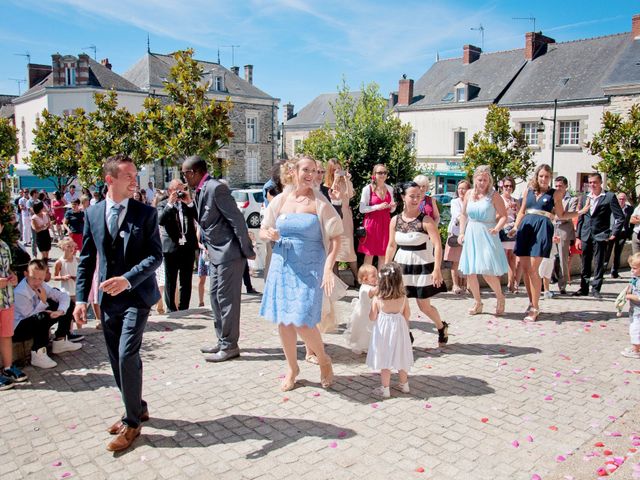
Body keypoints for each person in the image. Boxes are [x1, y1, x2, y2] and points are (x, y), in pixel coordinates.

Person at [74, 154, 163, 452]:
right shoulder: (93, 213)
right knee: (115, 358)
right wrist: (80, 300)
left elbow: (155, 256)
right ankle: (137, 406)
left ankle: (132, 423)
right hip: (107, 301)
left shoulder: (145, 213)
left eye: (135, 174)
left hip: (137, 296)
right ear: (110, 180)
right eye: (128, 175)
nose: (135, 180)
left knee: (127, 354)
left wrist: (127, 279)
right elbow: (86, 260)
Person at [259, 156, 342, 391]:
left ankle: (324, 360)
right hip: (282, 265)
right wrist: (270, 234)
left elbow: (336, 237)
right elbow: (264, 229)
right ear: (293, 171)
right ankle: (292, 368)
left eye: (315, 171)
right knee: (284, 322)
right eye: (306, 169)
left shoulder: (319, 202)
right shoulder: (281, 200)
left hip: (311, 267)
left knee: (304, 320)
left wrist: (328, 267)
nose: (312, 175)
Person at [182, 155, 255, 362]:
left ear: (194, 173)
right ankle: (222, 340)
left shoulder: (216, 188)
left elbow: (237, 220)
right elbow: (206, 220)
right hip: (214, 253)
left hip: (228, 253)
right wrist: (189, 204)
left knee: (226, 300)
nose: (184, 178)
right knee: (215, 297)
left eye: (185, 173)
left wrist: (246, 250)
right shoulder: (200, 190)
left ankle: (230, 345)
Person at [512, 164, 587, 320]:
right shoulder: (528, 191)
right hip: (526, 227)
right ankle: (531, 301)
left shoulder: (555, 194)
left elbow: (561, 214)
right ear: (537, 176)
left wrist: (579, 212)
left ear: (550, 177)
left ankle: (535, 307)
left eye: (547, 176)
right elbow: (521, 211)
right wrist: (515, 227)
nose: (544, 179)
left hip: (542, 228)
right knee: (525, 269)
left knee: (533, 269)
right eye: (541, 176)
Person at [385, 181, 448, 345]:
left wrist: (437, 269)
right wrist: (386, 269)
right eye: (412, 196)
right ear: (403, 197)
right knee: (400, 305)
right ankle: (407, 336)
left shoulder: (426, 220)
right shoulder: (395, 220)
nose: (415, 199)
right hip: (401, 266)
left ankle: (441, 327)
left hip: (421, 266)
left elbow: (437, 245)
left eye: (418, 196)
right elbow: (391, 245)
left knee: (424, 306)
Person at [459, 166, 509, 316]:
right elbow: (463, 215)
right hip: (471, 233)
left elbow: (504, 215)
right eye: (480, 179)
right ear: (475, 179)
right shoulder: (468, 194)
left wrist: (497, 228)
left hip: (487, 233)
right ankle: (477, 302)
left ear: (489, 181)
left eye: (485, 180)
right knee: (471, 271)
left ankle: (500, 297)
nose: (482, 183)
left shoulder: (494, 196)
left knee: (487, 271)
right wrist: (461, 232)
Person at [14, 259, 82, 369]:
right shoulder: (20, 292)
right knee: (42, 317)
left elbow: (62, 296)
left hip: (36, 318)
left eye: (40, 279)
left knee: (68, 302)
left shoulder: (42, 285)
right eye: (33, 278)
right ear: (26, 274)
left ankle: (60, 341)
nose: (37, 282)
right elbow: (30, 317)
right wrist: (44, 302)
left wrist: (60, 311)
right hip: (19, 329)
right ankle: (38, 354)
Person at [574, 172, 625, 299]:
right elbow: (581, 217)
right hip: (586, 234)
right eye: (590, 182)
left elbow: (620, 217)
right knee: (585, 262)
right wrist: (578, 236)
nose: (592, 185)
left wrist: (614, 232)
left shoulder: (609, 196)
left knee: (599, 262)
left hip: (600, 234)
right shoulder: (585, 197)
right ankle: (583, 287)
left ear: (601, 182)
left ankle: (596, 288)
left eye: (595, 182)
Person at [366, 262, 413, 399]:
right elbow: (407, 315)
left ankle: (385, 389)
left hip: (383, 332)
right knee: (401, 356)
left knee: (384, 359)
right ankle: (404, 385)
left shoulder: (378, 298)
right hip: (400, 330)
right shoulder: (403, 298)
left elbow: (372, 316)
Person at [157, 179, 198, 311]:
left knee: (186, 280)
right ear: (170, 191)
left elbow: (199, 217)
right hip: (171, 248)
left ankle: (184, 307)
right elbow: (161, 220)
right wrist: (170, 203)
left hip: (188, 247)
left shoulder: (187, 204)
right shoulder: (163, 204)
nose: (180, 192)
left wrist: (190, 202)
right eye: (177, 189)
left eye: (182, 189)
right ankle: (171, 308)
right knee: (171, 280)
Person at [0, 222, 26, 390]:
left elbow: (7, 269)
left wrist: (12, 277)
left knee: (6, 334)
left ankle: (8, 368)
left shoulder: (4, 246)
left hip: (6, 299)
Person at [326, 158, 358, 283]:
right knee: (333, 248)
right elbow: (330, 194)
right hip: (333, 216)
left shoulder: (345, 182)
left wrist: (347, 180)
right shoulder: (328, 184)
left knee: (349, 247)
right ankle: (336, 280)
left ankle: (357, 279)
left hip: (345, 217)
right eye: (335, 170)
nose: (338, 172)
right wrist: (335, 180)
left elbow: (350, 195)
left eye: (339, 169)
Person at [358, 164, 396, 267]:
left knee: (383, 255)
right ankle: (366, 281)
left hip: (385, 223)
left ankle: (381, 282)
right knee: (369, 254)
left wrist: (392, 206)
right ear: (374, 174)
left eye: (385, 173)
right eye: (380, 173)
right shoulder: (367, 189)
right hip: (371, 224)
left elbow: (392, 210)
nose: (383, 175)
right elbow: (361, 209)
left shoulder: (390, 189)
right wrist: (377, 207)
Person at [552, 176, 578, 294]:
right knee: (549, 257)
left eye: (560, 186)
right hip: (552, 229)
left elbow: (569, 215)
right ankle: (546, 282)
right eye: (556, 186)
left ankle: (562, 285)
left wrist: (559, 216)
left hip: (563, 230)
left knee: (563, 258)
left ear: (566, 186)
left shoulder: (572, 200)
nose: (558, 188)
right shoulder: (552, 197)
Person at [445, 180, 470, 295]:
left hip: (469, 233)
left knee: (467, 260)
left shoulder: (472, 202)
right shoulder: (455, 202)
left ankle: (466, 284)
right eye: (459, 188)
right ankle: (455, 285)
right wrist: (463, 220)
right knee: (455, 260)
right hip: (455, 233)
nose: (461, 190)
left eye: (464, 188)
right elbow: (457, 214)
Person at [345, 264, 377, 354]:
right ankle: (366, 346)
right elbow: (376, 291)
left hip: (368, 312)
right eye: (374, 276)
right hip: (366, 314)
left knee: (369, 330)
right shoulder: (366, 289)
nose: (376, 277)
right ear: (365, 279)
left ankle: (371, 345)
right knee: (366, 330)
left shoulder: (368, 286)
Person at [605, 193, 634, 278]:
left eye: (623, 199)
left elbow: (631, 221)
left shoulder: (630, 209)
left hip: (622, 233)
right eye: (620, 199)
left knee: (618, 253)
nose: (621, 201)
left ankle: (614, 272)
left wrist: (629, 233)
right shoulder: (611, 207)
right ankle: (602, 272)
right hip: (611, 232)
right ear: (617, 199)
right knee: (607, 253)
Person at [499, 177, 520, 293]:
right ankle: (499, 284)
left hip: (512, 229)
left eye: (510, 186)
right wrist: (506, 208)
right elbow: (496, 215)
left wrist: (516, 210)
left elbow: (520, 215)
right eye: (506, 186)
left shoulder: (515, 200)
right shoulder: (499, 199)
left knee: (512, 257)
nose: (508, 188)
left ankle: (511, 283)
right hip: (502, 229)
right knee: (501, 257)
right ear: (502, 187)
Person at [622, 253, 640, 359]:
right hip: (635, 309)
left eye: (634, 268)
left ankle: (635, 350)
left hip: (638, 311)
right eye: (631, 268)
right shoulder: (636, 278)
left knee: (635, 329)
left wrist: (629, 296)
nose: (632, 271)